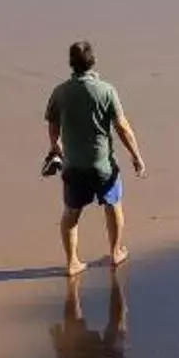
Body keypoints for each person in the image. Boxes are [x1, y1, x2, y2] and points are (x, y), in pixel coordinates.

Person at [46, 39, 146, 275]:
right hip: (102, 164)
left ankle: (72, 262)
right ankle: (115, 251)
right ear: (94, 62)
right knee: (113, 206)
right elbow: (122, 127)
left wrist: (55, 146)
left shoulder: (60, 92)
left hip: (73, 165)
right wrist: (136, 156)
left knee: (71, 213)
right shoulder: (106, 90)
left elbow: (52, 122)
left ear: (71, 64)